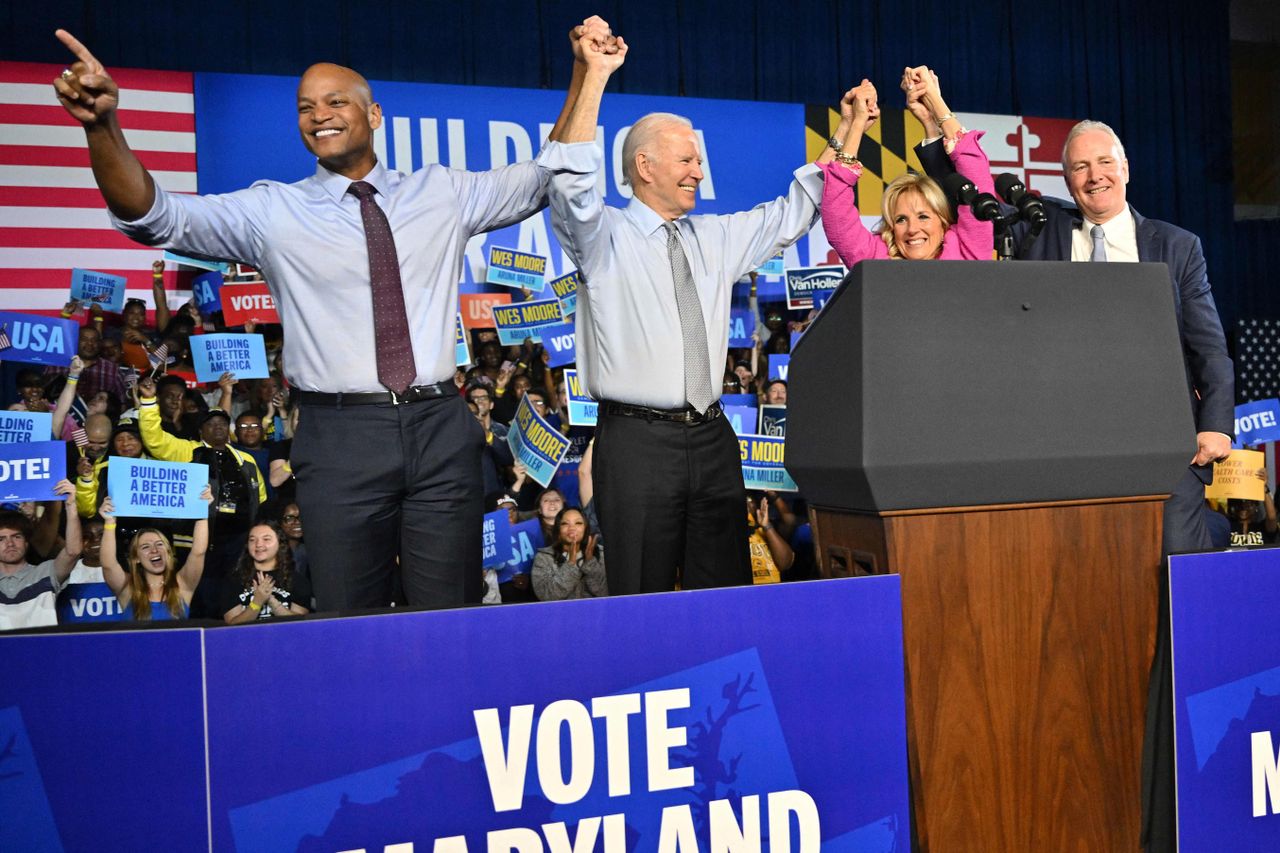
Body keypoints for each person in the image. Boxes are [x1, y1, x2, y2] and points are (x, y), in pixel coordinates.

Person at [52, 19, 617, 613]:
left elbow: (545, 174)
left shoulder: (441, 192)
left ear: (374, 115)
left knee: (451, 612)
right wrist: (102, 126)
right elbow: (154, 217)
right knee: (351, 617)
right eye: (304, 107)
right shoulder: (272, 209)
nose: (318, 114)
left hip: (438, 426)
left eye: (335, 101)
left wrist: (586, 73)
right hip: (340, 436)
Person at [921, 117, 1233, 853]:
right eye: (1079, 167)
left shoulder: (1175, 246)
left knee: (1175, 624)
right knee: (1073, 622)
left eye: (1104, 162)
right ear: (1064, 180)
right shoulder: (1040, 233)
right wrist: (936, 116)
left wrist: (1215, 424)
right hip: (1064, 464)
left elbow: (1209, 348)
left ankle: (1184, 797)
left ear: (1126, 168)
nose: (1093, 175)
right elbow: (958, 183)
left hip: (1163, 464)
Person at [541, 28, 841, 594]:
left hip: (712, 438)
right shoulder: (601, 237)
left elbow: (790, 213)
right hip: (635, 444)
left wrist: (845, 135)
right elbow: (571, 184)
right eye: (687, 160)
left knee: (723, 588)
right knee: (640, 592)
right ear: (644, 165)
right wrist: (596, 76)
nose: (699, 172)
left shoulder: (713, 237)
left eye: (699, 161)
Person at [821, 72, 994, 266]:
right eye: (901, 219)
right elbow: (836, 214)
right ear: (891, 227)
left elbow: (976, 179)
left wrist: (935, 101)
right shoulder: (876, 259)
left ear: (944, 221)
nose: (912, 229)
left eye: (923, 216)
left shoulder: (966, 251)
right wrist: (857, 122)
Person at [99, 490, 211, 621]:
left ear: (168, 552)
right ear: (136, 558)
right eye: (146, 547)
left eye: (159, 544)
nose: (154, 550)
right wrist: (109, 522)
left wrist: (202, 512)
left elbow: (198, 552)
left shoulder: (181, 585)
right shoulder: (127, 588)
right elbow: (108, 565)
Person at [0, 482, 81, 631]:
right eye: (1, 539)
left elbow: (73, 552)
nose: (10, 543)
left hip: (43, 652)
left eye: (16, 537)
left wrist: (71, 506)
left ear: (26, 541)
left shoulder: (46, 572)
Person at [221, 520, 312, 622]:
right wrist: (257, 602)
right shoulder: (234, 580)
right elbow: (231, 626)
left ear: (280, 543)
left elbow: (299, 625)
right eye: (252, 540)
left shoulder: (298, 581)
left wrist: (272, 602)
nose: (258, 544)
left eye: (266, 539)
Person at [531, 507, 606, 600]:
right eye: (565, 523)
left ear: (586, 528)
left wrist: (590, 562)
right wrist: (570, 563)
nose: (572, 528)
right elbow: (546, 596)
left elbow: (605, 592)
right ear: (558, 529)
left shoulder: (601, 553)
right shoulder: (544, 557)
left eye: (578, 523)